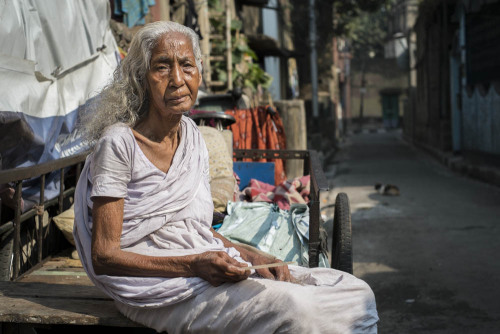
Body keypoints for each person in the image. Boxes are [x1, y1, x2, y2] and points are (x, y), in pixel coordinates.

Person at [74, 21, 378, 333]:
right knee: (297, 308)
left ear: (199, 73)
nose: (177, 79)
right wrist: (193, 264)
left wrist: (251, 254)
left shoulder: (192, 137)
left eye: (186, 65)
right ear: (142, 78)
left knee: (356, 295)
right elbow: (104, 256)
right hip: (153, 288)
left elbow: (194, 229)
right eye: (162, 67)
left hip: (202, 264)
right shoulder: (119, 143)